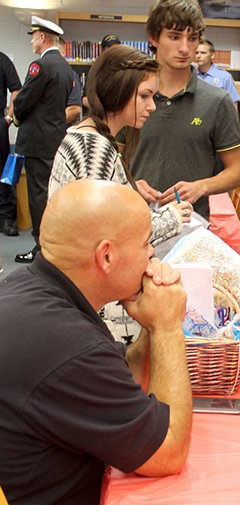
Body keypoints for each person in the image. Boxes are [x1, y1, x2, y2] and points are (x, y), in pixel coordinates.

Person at [0, 179, 193, 504]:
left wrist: (150, 323)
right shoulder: (65, 343)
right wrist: (168, 327)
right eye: (147, 243)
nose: (152, 254)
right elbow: (168, 452)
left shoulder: (32, 286)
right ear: (106, 257)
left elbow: (125, 375)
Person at [48, 44, 193, 247]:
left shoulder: (88, 134)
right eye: (144, 96)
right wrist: (172, 217)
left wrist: (127, 192)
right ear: (118, 91)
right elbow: (105, 241)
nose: (151, 106)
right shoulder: (95, 150)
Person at [130, 0, 240, 221]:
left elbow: (236, 172)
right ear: (153, 38)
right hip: (133, 220)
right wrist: (129, 183)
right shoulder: (130, 95)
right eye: (174, 37)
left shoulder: (218, 101)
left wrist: (201, 187)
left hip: (190, 227)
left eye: (192, 39)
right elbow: (113, 157)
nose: (185, 48)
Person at [12, 16, 75, 264]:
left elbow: (24, 101)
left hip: (37, 142)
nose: (31, 42)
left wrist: (15, 119)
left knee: (38, 197)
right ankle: (54, 246)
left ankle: (41, 250)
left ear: (42, 37)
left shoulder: (40, 66)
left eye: (33, 37)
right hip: (55, 140)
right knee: (52, 196)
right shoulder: (64, 66)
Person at [0, 50, 21, 239]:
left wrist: (8, 117)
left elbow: (16, 88)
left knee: (2, 171)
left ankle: (6, 219)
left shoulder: (3, 60)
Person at [194, 39, 240, 104]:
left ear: (212, 55)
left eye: (203, 53)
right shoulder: (190, 75)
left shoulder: (224, 77)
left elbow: (233, 103)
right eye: (196, 53)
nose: (198, 56)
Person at [57, 37, 83, 127]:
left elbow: (74, 109)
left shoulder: (70, 75)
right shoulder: (46, 74)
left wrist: (52, 127)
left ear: (63, 53)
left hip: (60, 133)